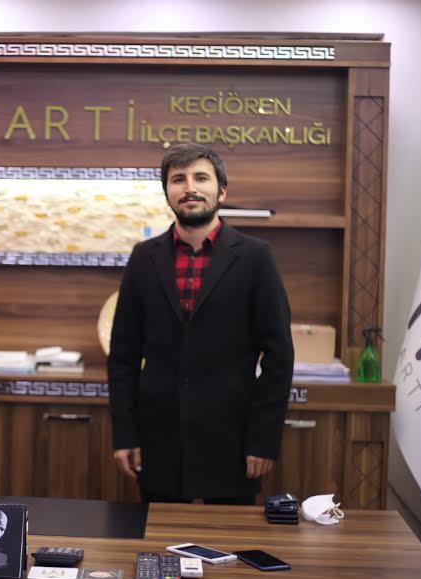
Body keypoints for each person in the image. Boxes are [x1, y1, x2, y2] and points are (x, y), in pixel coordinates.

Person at [108, 143, 294, 505]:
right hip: (158, 442)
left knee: (229, 539)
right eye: (178, 179)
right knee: (159, 538)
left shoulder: (255, 257)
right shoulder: (144, 258)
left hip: (234, 442)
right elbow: (123, 357)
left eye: (201, 178)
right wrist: (125, 434)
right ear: (167, 192)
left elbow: (279, 356)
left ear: (221, 191)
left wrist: (263, 439)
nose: (189, 188)